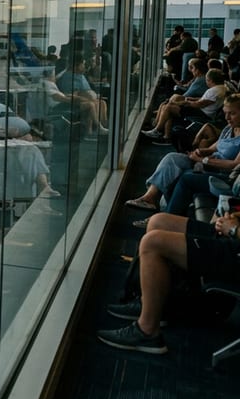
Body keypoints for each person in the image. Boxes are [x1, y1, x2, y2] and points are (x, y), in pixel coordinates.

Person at [97, 210, 240, 354]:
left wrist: (234, 230)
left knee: (151, 243)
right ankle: (152, 304)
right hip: (232, 237)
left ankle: (147, 331)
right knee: (158, 222)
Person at [127, 94, 240, 211]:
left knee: (180, 174)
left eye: (232, 113)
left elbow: (235, 164)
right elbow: (213, 148)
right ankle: (149, 197)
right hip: (208, 163)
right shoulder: (230, 128)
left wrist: (203, 160)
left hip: (222, 172)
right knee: (172, 158)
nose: (227, 117)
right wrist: (201, 151)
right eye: (225, 112)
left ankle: (165, 216)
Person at [142, 68, 228, 142]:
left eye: (206, 80)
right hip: (202, 110)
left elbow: (198, 105)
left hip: (202, 113)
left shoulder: (214, 91)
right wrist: (189, 99)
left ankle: (157, 130)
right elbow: (204, 100)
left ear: (210, 80)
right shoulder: (221, 88)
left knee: (168, 108)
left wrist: (183, 103)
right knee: (175, 99)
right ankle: (162, 132)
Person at [52, 57, 108, 136]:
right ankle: (94, 129)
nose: (84, 67)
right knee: (93, 104)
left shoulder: (80, 75)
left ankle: (101, 127)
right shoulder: (68, 78)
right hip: (72, 103)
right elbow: (71, 94)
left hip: (85, 98)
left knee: (102, 103)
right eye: (83, 65)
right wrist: (86, 97)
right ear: (76, 66)